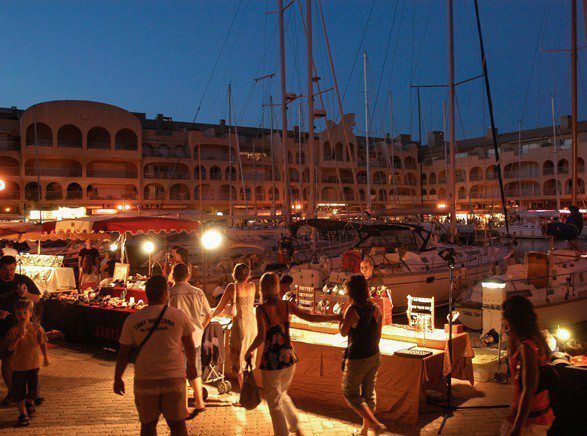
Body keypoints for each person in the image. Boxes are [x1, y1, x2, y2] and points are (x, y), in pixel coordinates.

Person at [245, 272, 341, 436]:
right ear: (277, 286)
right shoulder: (287, 305)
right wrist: (335, 316)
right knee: (281, 394)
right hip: (289, 357)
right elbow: (311, 318)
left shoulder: (261, 309)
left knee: (274, 403)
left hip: (272, 361)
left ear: (262, 288)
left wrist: (248, 350)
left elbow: (261, 336)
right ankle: (296, 426)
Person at [114, 275, 198, 436]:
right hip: (173, 378)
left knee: (148, 426)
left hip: (145, 379)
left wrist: (118, 378)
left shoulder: (133, 319)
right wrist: (192, 366)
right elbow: (189, 345)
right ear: (166, 293)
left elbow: (123, 353)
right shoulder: (178, 315)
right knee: (178, 426)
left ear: (147, 294)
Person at [500, 296, 555, 436]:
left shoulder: (527, 348)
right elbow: (511, 355)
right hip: (538, 412)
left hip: (530, 419)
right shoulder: (538, 340)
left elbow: (528, 390)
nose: (503, 321)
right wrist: (511, 333)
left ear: (512, 319)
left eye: (504, 317)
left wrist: (517, 428)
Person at [339, 275, 386, 435]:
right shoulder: (376, 308)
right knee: (369, 392)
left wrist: (342, 316)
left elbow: (343, 332)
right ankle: (364, 430)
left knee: (350, 392)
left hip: (357, 357)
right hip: (374, 354)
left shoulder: (353, 310)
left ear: (351, 291)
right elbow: (379, 334)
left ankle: (374, 424)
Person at [168, 263, 212, 416]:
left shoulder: (170, 293)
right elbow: (209, 314)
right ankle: (200, 402)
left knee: (181, 372)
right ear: (188, 275)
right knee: (195, 369)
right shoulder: (198, 292)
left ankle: (184, 408)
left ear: (173, 275)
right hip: (196, 337)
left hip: (178, 338)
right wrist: (200, 327)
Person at [0, 255, 41, 405]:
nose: (8, 273)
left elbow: (37, 297)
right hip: (3, 329)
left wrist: (25, 294)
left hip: (22, 327)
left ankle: (28, 394)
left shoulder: (22, 280)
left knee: (25, 361)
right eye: (5, 270)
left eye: (11, 269)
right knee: (7, 360)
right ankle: (13, 392)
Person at [210, 263, 257, 393]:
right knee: (249, 359)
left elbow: (220, 307)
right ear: (248, 274)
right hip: (252, 326)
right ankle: (250, 392)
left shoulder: (232, 287)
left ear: (234, 274)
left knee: (239, 360)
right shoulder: (252, 286)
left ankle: (244, 396)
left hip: (240, 326)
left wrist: (210, 315)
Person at [4, 299, 49, 427]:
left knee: (33, 390)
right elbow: (9, 349)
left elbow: (42, 343)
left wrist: (46, 357)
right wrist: (19, 336)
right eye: (19, 313)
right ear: (15, 315)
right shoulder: (13, 331)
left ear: (30, 313)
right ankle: (22, 413)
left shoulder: (37, 329)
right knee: (19, 391)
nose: (22, 316)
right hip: (18, 367)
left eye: (25, 313)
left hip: (33, 366)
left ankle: (30, 402)